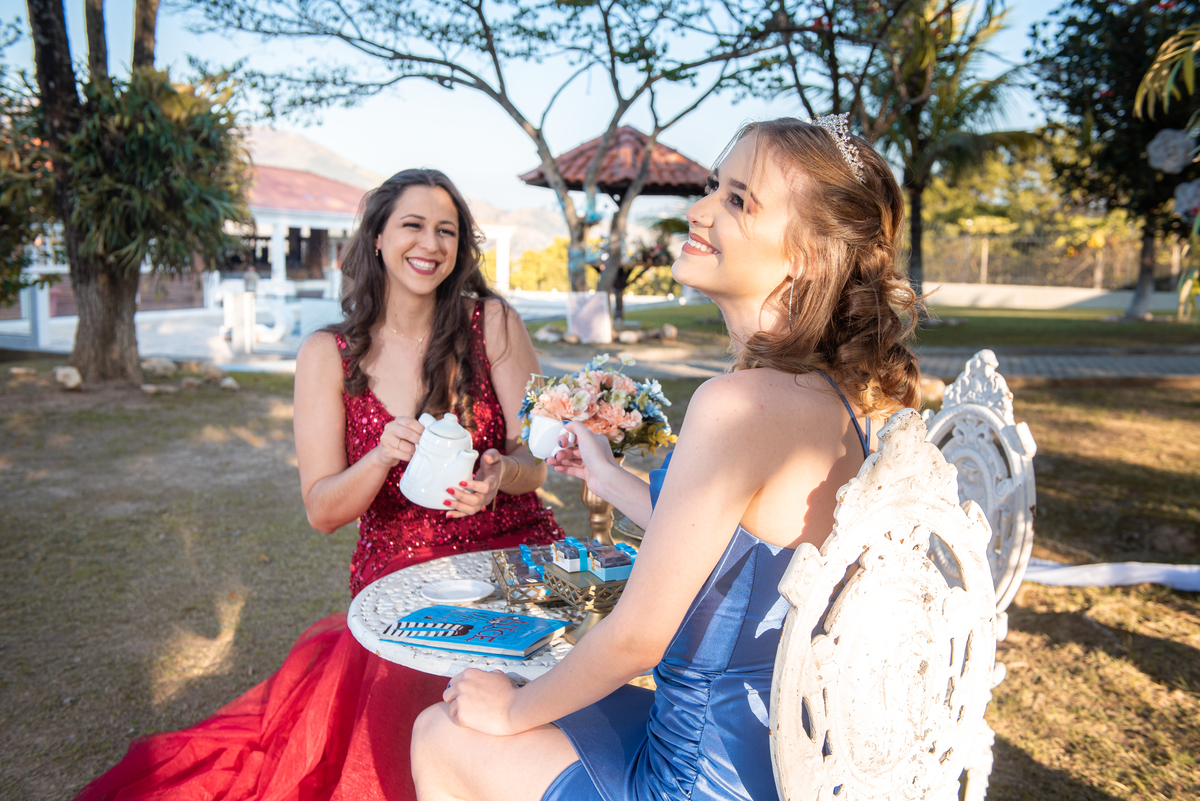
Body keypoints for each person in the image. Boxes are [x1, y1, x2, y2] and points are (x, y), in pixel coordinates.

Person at [410, 116, 922, 801]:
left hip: (693, 777)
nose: (699, 210)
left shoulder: (738, 405)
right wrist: (606, 475)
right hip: (787, 757)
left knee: (440, 731)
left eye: (737, 200)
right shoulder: (849, 402)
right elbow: (735, 549)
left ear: (808, 254)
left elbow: (637, 640)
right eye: (713, 187)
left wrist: (508, 713)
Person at [74, 169, 563, 801]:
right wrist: (381, 457)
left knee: (545, 700)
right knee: (416, 721)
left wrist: (500, 475)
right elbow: (322, 511)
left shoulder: (492, 323)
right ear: (378, 237)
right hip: (405, 571)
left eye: (447, 230)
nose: (431, 243)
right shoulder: (327, 354)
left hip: (515, 550)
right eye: (413, 225)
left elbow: (536, 460)